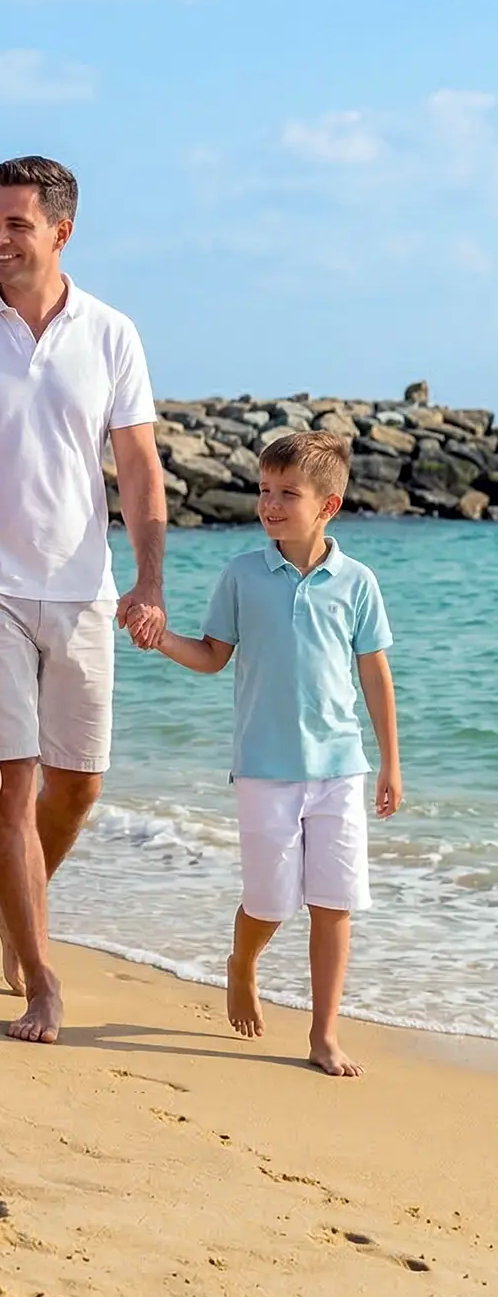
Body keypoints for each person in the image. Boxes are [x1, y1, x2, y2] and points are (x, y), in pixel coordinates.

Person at [0, 156, 166, 1046]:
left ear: (62, 231)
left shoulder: (112, 333)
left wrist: (149, 578)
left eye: (15, 224)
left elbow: (135, 465)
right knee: (7, 788)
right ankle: (41, 979)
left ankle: (11, 906)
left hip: (82, 587)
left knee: (79, 785)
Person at [151, 430, 402, 1078]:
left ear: (329, 505)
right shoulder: (241, 575)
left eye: (288, 493)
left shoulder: (357, 582)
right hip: (264, 767)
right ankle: (243, 962)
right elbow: (211, 657)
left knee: (334, 903)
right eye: (265, 491)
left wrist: (391, 763)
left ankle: (323, 1035)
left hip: (341, 767)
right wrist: (160, 640)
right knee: (269, 903)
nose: (270, 504)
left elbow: (374, 674)